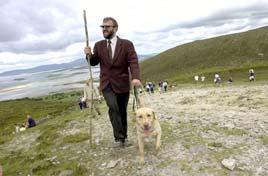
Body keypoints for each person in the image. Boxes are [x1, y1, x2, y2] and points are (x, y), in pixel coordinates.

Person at [84, 17, 141, 147]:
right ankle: (118, 137)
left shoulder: (127, 44)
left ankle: (124, 137)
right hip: (106, 84)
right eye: (102, 27)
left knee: (122, 110)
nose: (104, 29)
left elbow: (133, 61)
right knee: (113, 107)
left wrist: (136, 77)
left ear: (115, 28)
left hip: (122, 83)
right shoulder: (98, 45)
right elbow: (93, 62)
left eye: (107, 27)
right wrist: (88, 55)